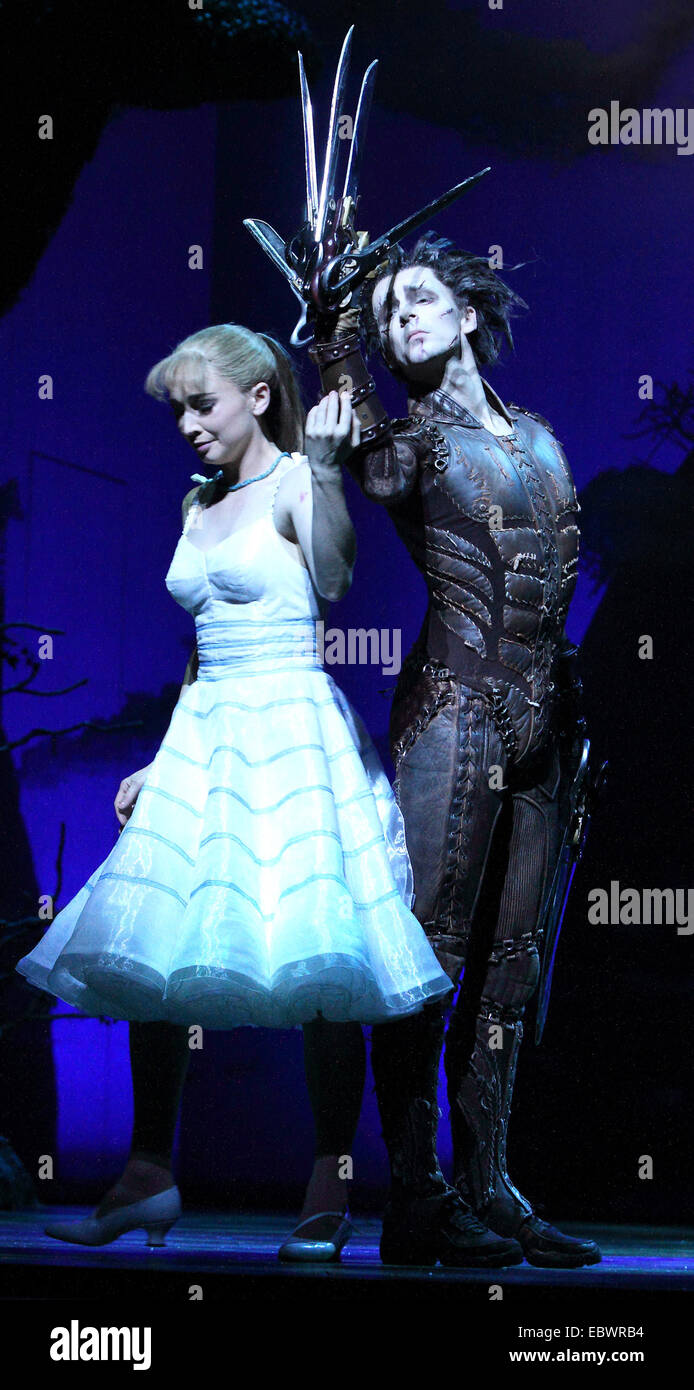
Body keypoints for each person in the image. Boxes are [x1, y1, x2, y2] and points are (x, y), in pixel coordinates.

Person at [15, 323, 455, 1261]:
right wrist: (159, 759)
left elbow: (333, 579)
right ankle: (147, 1176)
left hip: (291, 725)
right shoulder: (195, 501)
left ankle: (330, 1175)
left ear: (259, 396)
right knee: (154, 949)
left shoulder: (300, 476)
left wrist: (331, 473)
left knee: (321, 954)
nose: (185, 424)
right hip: (207, 732)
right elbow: (200, 650)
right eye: (176, 408)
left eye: (200, 403)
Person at [307, 233, 602, 1268]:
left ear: (468, 313)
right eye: (389, 314)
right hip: (453, 710)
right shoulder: (407, 441)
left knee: (511, 971)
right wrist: (339, 342)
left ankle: (490, 1184)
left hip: (546, 718)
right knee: (429, 954)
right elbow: (374, 468)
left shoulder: (540, 437)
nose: (405, 319)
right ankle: (415, 1194)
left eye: (417, 300)